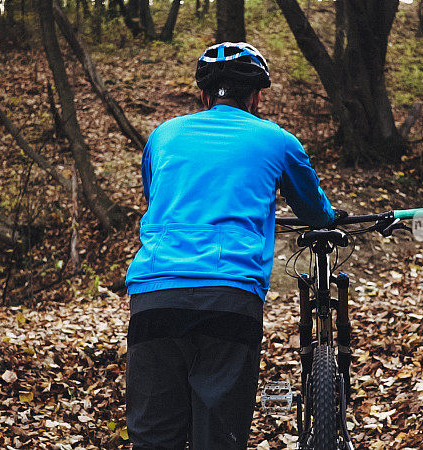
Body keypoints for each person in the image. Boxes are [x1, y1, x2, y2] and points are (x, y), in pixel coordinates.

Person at [125, 41, 337, 449]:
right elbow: (316, 212)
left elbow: (159, 201)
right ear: (257, 96)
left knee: (153, 437)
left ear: (204, 95)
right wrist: (328, 219)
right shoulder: (276, 139)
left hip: (155, 295)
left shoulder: (163, 135)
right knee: (219, 438)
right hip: (229, 297)